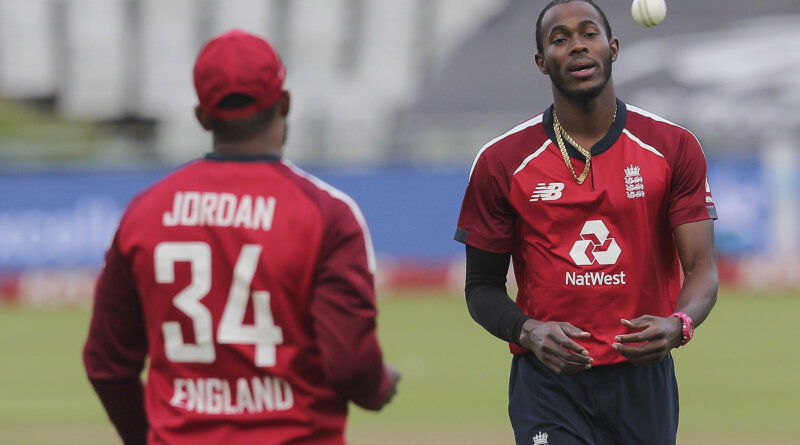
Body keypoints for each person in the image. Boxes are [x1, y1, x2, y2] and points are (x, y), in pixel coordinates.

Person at [83, 29, 400, 445]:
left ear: (201, 116)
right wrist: (377, 387)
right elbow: (351, 365)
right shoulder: (328, 214)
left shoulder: (144, 213)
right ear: (284, 102)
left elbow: (106, 362)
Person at [454, 1, 718, 444]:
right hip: (548, 382)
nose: (577, 46)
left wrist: (679, 324)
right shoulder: (502, 161)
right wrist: (528, 330)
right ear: (542, 62)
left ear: (612, 48)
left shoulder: (673, 147)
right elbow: (481, 287)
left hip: (642, 380)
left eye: (589, 34)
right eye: (560, 39)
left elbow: (701, 270)